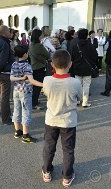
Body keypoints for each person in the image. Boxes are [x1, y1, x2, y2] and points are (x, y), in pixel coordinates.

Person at [42, 49, 82, 187]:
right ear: (70, 64)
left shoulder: (47, 80)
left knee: (49, 146)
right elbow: (80, 98)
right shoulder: (75, 82)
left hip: (51, 119)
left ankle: (46, 171)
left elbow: (46, 93)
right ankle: (67, 176)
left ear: (52, 64)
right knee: (68, 149)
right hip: (68, 121)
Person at [10, 45, 43, 143]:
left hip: (16, 90)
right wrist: (44, 84)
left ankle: (17, 131)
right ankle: (25, 135)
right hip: (25, 92)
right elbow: (31, 80)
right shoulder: (27, 66)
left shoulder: (14, 64)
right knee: (26, 112)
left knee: (16, 110)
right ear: (25, 54)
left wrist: (20, 79)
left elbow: (11, 78)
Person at [71, 29, 98, 107]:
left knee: (77, 85)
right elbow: (95, 57)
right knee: (86, 85)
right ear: (86, 36)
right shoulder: (90, 45)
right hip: (87, 68)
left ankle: (77, 100)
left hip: (77, 68)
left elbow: (72, 57)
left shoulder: (75, 45)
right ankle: (85, 102)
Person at [28, 29, 50, 110]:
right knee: (37, 87)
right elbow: (47, 55)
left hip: (33, 66)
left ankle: (34, 101)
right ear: (38, 36)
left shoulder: (31, 45)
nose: (42, 36)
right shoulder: (39, 46)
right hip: (39, 67)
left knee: (35, 86)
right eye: (41, 35)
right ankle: (34, 103)